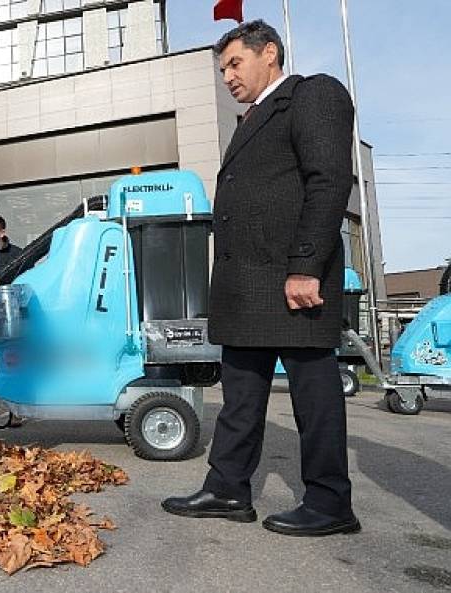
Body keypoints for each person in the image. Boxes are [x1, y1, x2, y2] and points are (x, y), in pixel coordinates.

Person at [161, 20, 360, 537]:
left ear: (268, 53)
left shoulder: (311, 95)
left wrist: (305, 267)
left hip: (292, 282)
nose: (227, 75)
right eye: (222, 68)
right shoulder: (252, 119)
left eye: (235, 63)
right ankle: (227, 489)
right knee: (242, 396)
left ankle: (330, 501)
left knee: (313, 397)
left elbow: (329, 180)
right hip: (247, 288)